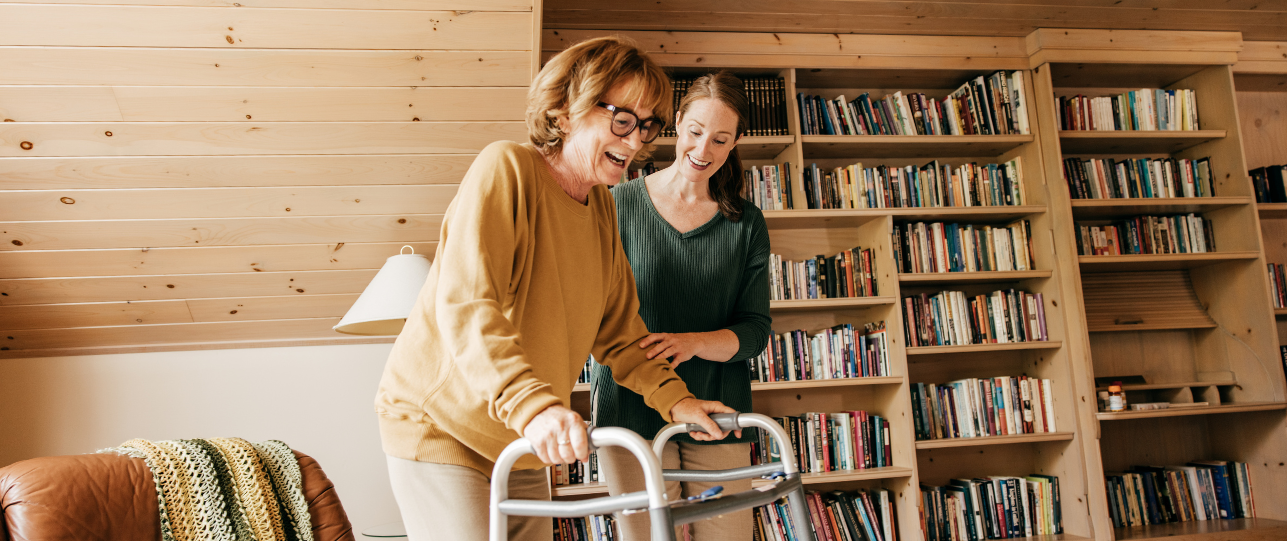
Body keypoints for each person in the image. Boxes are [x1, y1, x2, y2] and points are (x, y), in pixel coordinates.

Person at [374, 37, 739, 541]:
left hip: (520, 435)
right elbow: (469, 305)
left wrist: (676, 401)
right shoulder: (507, 170)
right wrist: (536, 407)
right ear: (565, 111)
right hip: (443, 425)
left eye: (647, 124)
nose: (635, 142)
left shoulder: (602, 208)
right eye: (621, 119)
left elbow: (619, 331)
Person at [593, 72, 772, 541]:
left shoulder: (747, 223)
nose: (703, 149)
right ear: (676, 123)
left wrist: (691, 344)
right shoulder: (615, 205)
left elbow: (755, 331)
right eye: (695, 132)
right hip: (629, 408)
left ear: (734, 143)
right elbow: (596, 312)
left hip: (718, 409)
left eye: (720, 139)